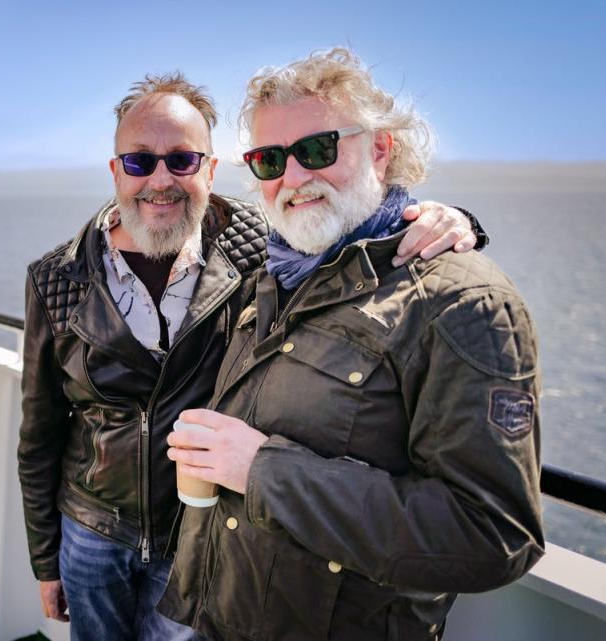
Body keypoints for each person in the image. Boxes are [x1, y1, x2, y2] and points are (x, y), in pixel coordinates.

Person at [18, 72, 483, 641]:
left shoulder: (260, 248)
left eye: (183, 160)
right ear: (115, 171)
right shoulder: (56, 279)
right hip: (89, 530)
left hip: (198, 532)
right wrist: (47, 560)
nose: (160, 181)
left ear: (212, 169)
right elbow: (39, 432)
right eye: (140, 162)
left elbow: (348, 235)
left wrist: (447, 219)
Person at [162, 48, 543, 641]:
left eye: (317, 149)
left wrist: (263, 471)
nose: (292, 177)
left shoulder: (461, 303)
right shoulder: (274, 275)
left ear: (382, 150)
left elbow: (492, 536)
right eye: (268, 160)